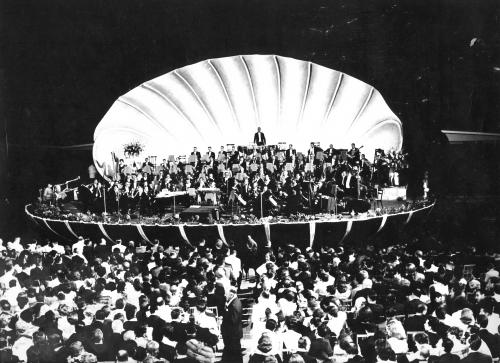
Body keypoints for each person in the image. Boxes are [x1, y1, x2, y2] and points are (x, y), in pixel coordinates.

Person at [221, 285, 243, 363]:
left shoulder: (235, 305)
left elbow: (234, 321)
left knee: (235, 354)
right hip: (232, 334)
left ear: (231, 294)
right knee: (234, 354)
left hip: (232, 334)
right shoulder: (232, 302)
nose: (224, 295)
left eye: (226, 294)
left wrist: (224, 319)